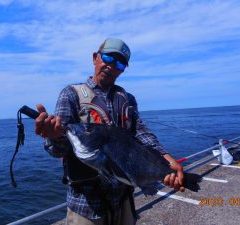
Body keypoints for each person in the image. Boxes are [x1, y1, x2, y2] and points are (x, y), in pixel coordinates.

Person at [35, 38, 184, 225]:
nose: (111, 65)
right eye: (107, 57)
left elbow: (141, 133)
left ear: (123, 69)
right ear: (95, 58)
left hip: (124, 201)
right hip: (86, 206)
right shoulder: (71, 94)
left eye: (120, 62)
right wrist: (54, 137)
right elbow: (57, 150)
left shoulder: (127, 99)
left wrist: (167, 159)